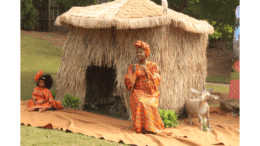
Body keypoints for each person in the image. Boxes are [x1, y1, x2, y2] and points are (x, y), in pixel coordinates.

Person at [124, 40, 164, 134]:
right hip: (138, 91)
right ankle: (141, 128)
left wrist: (147, 72)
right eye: (137, 53)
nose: (138, 54)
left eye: (141, 52)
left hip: (150, 92)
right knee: (141, 102)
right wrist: (133, 72)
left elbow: (157, 80)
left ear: (146, 53)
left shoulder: (153, 66)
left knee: (149, 104)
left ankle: (151, 128)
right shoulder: (133, 66)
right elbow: (129, 84)